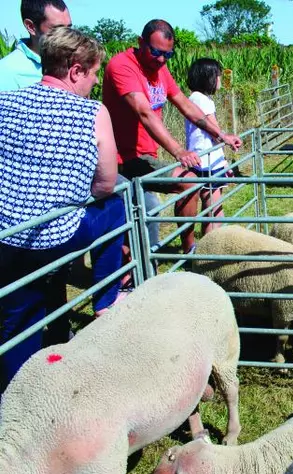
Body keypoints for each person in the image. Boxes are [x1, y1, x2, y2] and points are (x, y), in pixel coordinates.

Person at [0, 26, 125, 391]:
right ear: (75, 70)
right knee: (115, 204)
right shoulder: (92, 112)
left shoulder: (5, 102)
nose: (96, 81)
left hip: (7, 237)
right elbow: (104, 182)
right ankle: (106, 298)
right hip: (56, 236)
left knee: (17, 321)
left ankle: (12, 398)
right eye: (94, 72)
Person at [102, 19, 242, 255]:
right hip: (120, 158)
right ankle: (182, 253)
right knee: (135, 222)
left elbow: (185, 105)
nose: (161, 59)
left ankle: (189, 250)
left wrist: (221, 134)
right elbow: (144, 113)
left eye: (168, 54)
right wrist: (179, 151)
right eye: (156, 52)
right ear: (140, 43)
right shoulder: (122, 66)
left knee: (187, 184)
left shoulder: (160, 68)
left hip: (145, 155)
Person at [185, 58, 233, 235]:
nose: (220, 79)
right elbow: (215, 131)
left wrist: (223, 161)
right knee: (213, 205)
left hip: (208, 157)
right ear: (209, 78)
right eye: (218, 76)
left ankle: (212, 243)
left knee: (213, 204)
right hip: (207, 159)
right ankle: (212, 246)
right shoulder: (201, 100)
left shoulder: (196, 98)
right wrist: (225, 140)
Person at [0, 0, 71, 91]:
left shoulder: (74, 63)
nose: (67, 36)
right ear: (31, 27)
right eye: (58, 29)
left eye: (69, 28)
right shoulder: (6, 72)